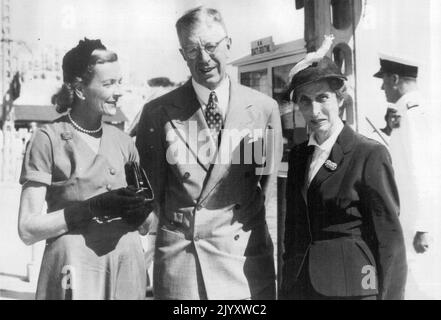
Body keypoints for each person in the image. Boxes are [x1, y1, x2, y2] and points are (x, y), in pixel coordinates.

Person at [136, 6, 282, 300]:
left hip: (243, 261)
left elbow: (265, 188)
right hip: (184, 263)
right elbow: (151, 192)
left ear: (228, 44)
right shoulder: (158, 113)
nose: (203, 58)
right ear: (183, 55)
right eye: (192, 50)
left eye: (211, 46)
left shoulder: (263, 110)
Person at [18, 38, 152, 300]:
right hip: (76, 271)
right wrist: (91, 208)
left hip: (126, 269)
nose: (119, 91)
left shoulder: (124, 143)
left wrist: (142, 213)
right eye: (108, 84)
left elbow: (148, 225)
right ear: (80, 89)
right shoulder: (48, 139)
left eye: (119, 82)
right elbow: (27, 229)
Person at [281, 45, 407, 300]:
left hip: (353, 289)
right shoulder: (298, 156)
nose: (314, 111)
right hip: (302, 287)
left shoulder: (368, 154)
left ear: (340, 98)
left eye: (322, 98)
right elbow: (293, 231)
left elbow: (390, 239)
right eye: (305, 101)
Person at [374, 55, 441, 299]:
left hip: (416, 219)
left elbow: (421, 170)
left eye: (383, 81)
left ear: (394, 79)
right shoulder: (420, 108)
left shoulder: (409, 114)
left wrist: (422, 226)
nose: (382, 88)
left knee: (417, 286)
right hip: (419, 215)